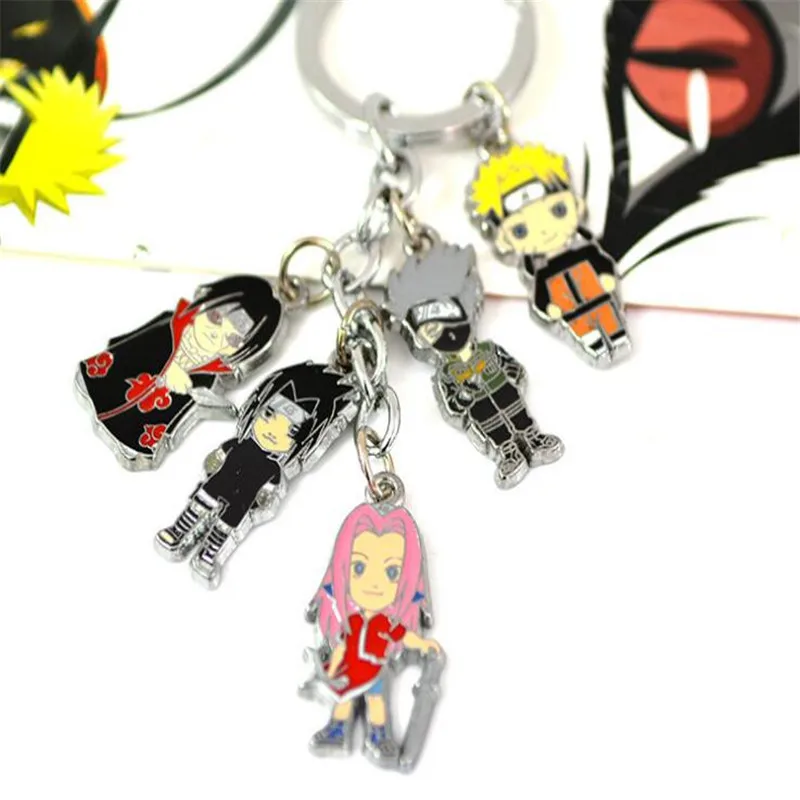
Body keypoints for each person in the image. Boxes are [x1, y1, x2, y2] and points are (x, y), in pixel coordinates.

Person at [155, 362, 360, 588]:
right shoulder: (238, 444)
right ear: (256, 408)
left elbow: (271, 495)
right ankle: (179, 531)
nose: (274, 431)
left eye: (292, 430)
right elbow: (216, 458)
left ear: (305, 442)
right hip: (216, 485)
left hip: (242, 503)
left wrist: (262, 502)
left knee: (225, 527)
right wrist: (213, 463)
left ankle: (209, 555)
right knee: (199, 505)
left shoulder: (274, 469)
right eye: (269, 414)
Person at [386, 241, 563, 488]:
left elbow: (515, 369)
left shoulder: (489, 349)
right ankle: (508, 454)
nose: (445, 336)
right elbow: (451, 406)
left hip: (507, 394)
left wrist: (513, 374)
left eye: (446, 326)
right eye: (432, 334)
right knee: (495, 430)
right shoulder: (445, 373)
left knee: (519, 416)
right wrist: (463, 398)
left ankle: (533, 439)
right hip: (480, 410)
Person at [75, 275, 283, 469]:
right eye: (215, 318)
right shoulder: (169, 324)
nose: (216, 334)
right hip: (102, 383)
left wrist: (195, 392)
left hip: (135, 432)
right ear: (205, 302)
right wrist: (169, 364)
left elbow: (186, 410)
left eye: (232, 339)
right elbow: (133, 345)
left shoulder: (211, 378)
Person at [469, 142, 631, 365]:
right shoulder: (541, 273)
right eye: (520, 230)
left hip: (599, 296)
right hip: (569, 310)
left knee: (610, 321)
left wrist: (606, 277)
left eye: (558, 210)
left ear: (577, 204)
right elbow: (540, 295)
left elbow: (601, 262)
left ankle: (618, 338)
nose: (544, 230)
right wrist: (548, 307)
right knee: (586, 333)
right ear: (503, 240)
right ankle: (596, 347)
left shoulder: (586, 250)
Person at [306, 503, 441, 766]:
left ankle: (378, 736)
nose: (375, 583)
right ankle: (337, 730)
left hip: (375, 671)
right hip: (350, 670)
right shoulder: (353, 620)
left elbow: (404, 636)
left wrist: (423, 644)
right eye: (358, 568)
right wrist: (332, 668)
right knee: (344, 701)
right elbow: (342, 647)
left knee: (376, 702)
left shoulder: (384, 622)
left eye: (392, 572)